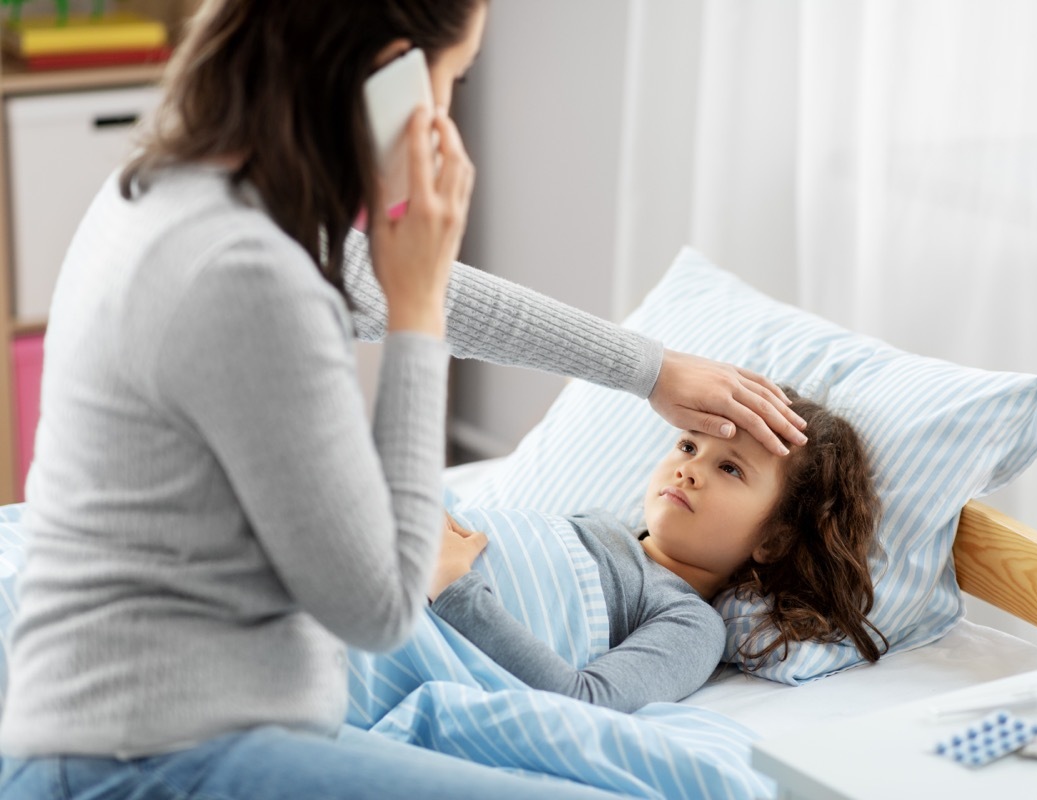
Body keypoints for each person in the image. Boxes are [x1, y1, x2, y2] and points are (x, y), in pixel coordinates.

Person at [0, 1, 807, 798]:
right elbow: (381, 605)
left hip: (150, 729)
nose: (447, 111)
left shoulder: (185, 195)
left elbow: (424, 295)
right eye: (452, 77)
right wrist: (415, 308)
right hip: (152, 755)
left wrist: (649, 367)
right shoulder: (247, 273)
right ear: (390, 76)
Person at [430, 391, 888, 712]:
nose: (688, 469)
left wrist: (454, 585)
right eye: (689, 445)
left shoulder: (691, 623)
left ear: (773, 540)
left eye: (730, 468)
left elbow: (582, 701)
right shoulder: (595, 526)